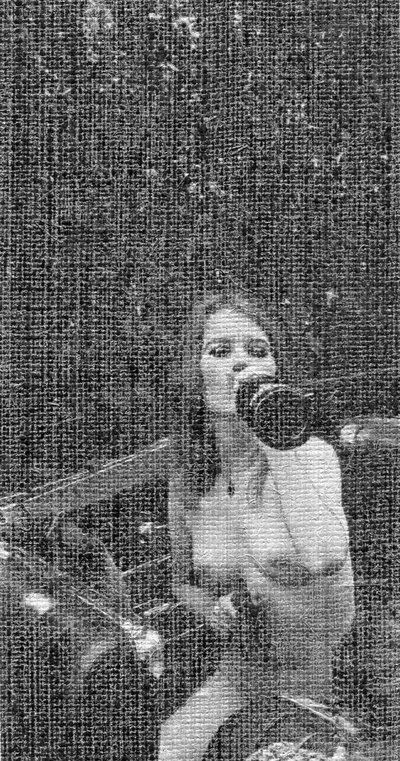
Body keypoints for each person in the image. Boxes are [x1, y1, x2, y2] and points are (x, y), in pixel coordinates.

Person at [159, 291, 355, 761]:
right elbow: (181, 582)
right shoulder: (189, 481)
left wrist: (275, 430)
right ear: (195, 377)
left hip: (324, 684)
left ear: (274, 369)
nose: (241, 363)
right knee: (171, 747)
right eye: (219, 351)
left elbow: (323, 555)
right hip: (244, 673)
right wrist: (212, 606)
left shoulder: (309, 458)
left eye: (257, 350)